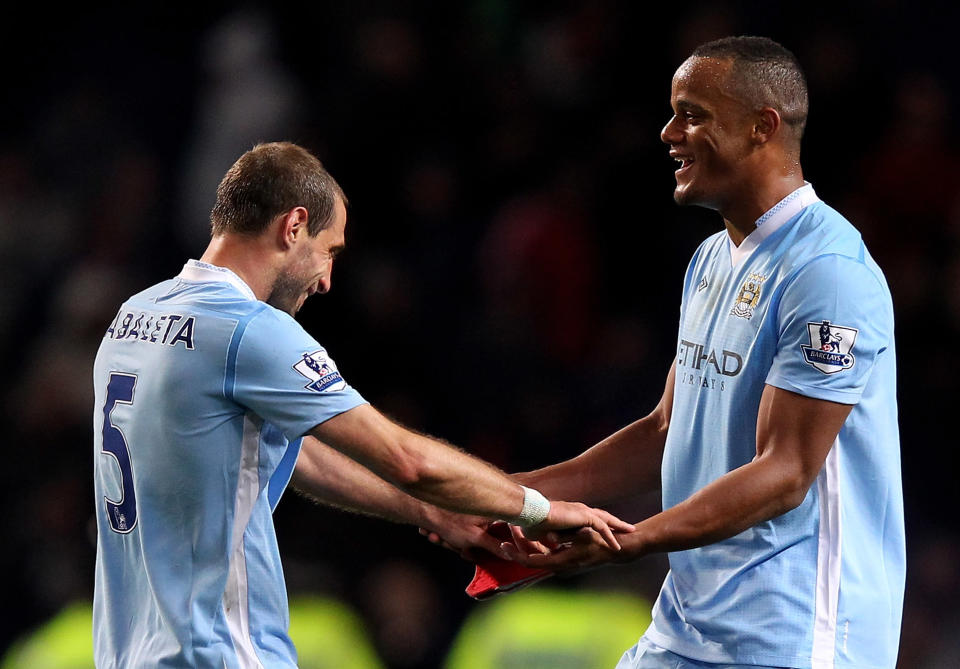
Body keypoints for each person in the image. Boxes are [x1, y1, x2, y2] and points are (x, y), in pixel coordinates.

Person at [427, 36, 905, 668]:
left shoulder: (828, 271)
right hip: (686, 627)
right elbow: (663, 432)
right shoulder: (710, 260)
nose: (667, 132)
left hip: (795, 637)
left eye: (692, 113)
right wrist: (506, 498)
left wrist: (628, 543)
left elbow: (785, 472)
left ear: (763, 127)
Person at [91, 141, 634, 668]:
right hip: (222, 653)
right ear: (294, 225)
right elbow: (407, 459)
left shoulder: (133, 317)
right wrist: (537, 507)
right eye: (329, 251)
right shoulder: (248, 330)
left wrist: (431, 512)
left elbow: (288, 454)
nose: (327, 280)